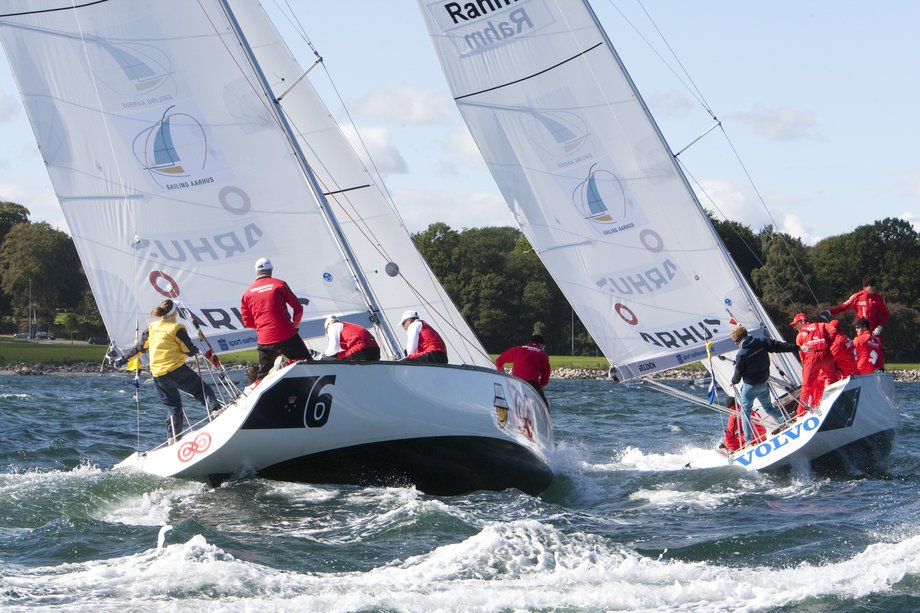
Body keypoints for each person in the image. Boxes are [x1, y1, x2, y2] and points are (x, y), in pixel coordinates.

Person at [121, 299, 218, 441]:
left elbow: (139, 349)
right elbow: (188, 350)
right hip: (176, 370)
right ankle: (216, 410)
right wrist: (195, 350)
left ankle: (173, 438)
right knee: (201, 390)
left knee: (174, 407)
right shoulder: (177, 328)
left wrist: (122, 360)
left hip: (158, 375)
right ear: (174, 312)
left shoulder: (152, 328)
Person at [240, 257, 312, 381]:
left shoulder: (247, 294)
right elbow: (298, 308)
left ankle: (257, 386)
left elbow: (247, 322)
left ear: (256, 272)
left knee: (262, 375)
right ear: (271, 270)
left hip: (265, 340)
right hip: (287, 335)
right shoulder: (279, 284)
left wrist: (264, 328)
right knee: (307, 363)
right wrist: (294, 325)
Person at [729, 326, 799, 445]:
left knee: (745, 413)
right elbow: (778, 346)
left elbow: (738, 373)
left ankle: (748, 440)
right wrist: (797, 348)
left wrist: (733, 381)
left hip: (750, 387)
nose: (736, 344)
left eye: (735, 341)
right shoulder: (761, 341)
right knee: (768, 407)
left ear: (738, 339)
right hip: (763, 384)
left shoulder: (741, 354)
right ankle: (785, 420)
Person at [791, 312, 839, 413]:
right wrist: (827, 343)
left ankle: (801, 413)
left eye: (795, 324)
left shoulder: (799, 335)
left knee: (806, 387)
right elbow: (834, 331)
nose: (795, 327)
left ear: (801, 322)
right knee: (832, 379)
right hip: (826, 354)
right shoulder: (821, 324)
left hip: (811, 356)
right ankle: (836, 400)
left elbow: (803, 357)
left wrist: (806, 369)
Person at [823, 275, 889, 337]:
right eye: (871, 285)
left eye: (874, 285)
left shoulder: (879, 298)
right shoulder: (857, 297)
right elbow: (844, 307)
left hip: (874, 332)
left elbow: (885, 313)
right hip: (861, 331)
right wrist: (829, 312)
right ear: (865, 287)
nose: (874, 287)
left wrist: (880, 326)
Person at [495, 334, 551, 404]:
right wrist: (540, 386)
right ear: (540, 344)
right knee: (544, 405)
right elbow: (546, 375)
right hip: (532, 384)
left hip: (516, 382)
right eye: (543, 347)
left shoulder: (517, 349)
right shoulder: (542, 354)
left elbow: (498, 361)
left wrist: (504, 377)